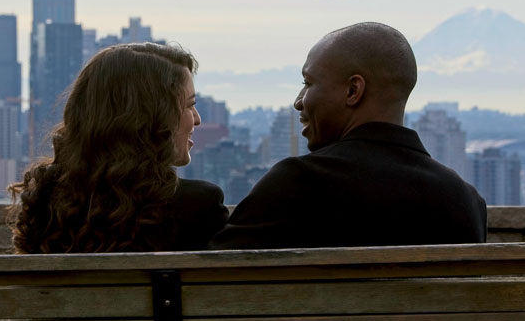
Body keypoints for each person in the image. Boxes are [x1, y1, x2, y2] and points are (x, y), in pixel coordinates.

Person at [208, 22, 486, 249]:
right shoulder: (467, 202)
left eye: (308, 83)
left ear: (353, 91)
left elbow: (207, 284)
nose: (298, 101)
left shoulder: (299, 184)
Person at [9, 43, 227, 253]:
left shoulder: (46, 203)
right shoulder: (197, 207)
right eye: (189, 106)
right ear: (150, 118)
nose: (197, 120)